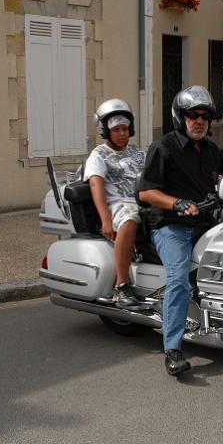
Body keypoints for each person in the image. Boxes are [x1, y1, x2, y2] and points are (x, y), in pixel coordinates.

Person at [138, 86, 223, 376]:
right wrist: (177, 203)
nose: (199, 121)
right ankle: (172, 348)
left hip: (206, 224)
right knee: (179, 279)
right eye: (193, 115)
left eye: (205, 116)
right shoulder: (163, 148)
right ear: (180, 117)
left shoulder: (212, 150)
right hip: (171, 226)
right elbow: (146, 192)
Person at [84, 98, 148, 310]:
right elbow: (96, 185)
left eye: (125, 129)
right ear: (106, 131)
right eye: (116, 129)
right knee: (130, 219)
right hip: (119, 204)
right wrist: (106, 220)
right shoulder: (99, 154)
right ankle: (121, 286)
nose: (122, 133)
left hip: (143, 200)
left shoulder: (138, 152)